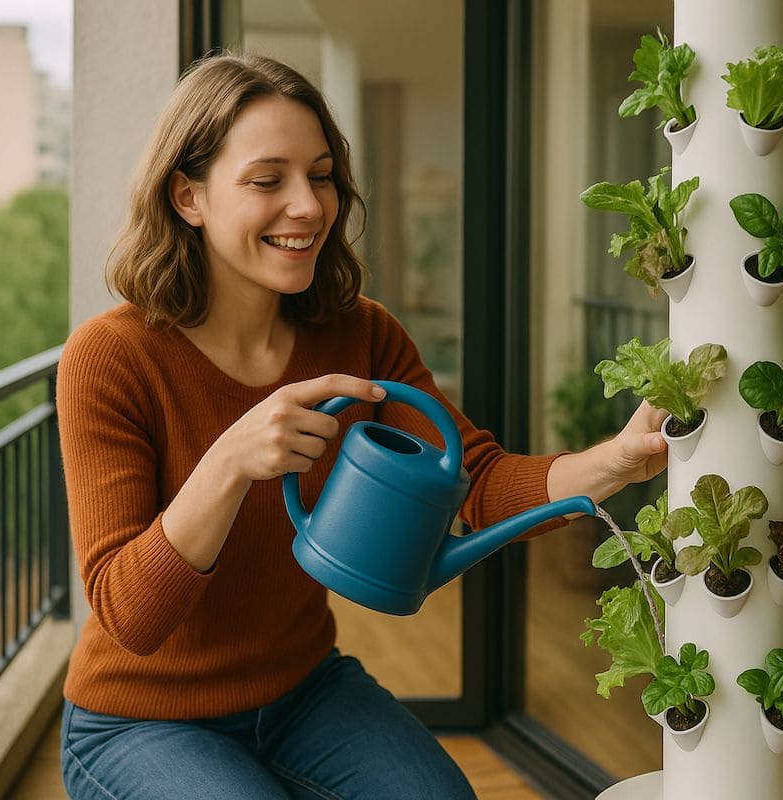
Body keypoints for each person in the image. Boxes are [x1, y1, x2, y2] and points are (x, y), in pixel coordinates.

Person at [57, 53, 669, 800]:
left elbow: (472, 482)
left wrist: (616, 461)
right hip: (138, 721)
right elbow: (130, 615)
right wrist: (228, 462)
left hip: (301, 689)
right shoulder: (111, 358)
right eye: (267, 179)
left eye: (320, 175)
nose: (309, 206)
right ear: (189, 196)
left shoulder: (361, 334)